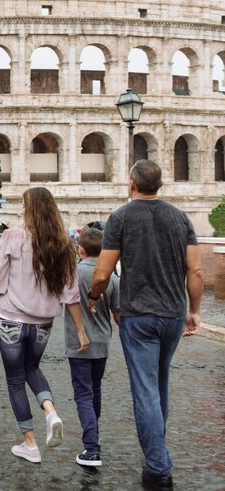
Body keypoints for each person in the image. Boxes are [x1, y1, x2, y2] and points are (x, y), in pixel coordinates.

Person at [90, 160, 203, 491]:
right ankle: (156, 448)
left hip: (138, 315)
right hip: (171, 315)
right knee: (159, 384)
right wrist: (194, 311)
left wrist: (95, 295)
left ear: (131, 184)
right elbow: (195, 272)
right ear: (160, 186)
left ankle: (158, 466)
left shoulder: (120, 218)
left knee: (145, 390)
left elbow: (101, 273)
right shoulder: (181, 218)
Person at [0, 187, 89, 464]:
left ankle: (30, 443)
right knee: (32, 368)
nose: (20, 209)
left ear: (30, 209)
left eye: (22, 205)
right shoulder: (64, 245)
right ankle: (50, 411)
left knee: (15, 380)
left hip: (11, 320)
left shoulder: (13, 237)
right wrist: (80, 330)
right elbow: (71, 294)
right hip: (43, 324)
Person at [65, 226, 120, 468]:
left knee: (83, 394)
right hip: (103, 341)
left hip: (78, 344)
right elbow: (118, 315)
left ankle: (91, 448)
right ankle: (92, 439)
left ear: (81, 249)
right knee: (95, 391)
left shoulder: (73, 275)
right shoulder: (112, 278)